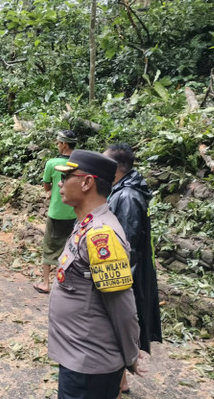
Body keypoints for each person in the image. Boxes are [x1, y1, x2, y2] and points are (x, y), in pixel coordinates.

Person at [49, 149, 142, 399]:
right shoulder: (86, 223)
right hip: (77, 356)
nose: (60, 182)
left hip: (89, 365)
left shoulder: (102, 236)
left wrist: (130, 354)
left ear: (87, 182)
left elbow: (122, 306)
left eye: (67, 176)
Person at [104, 143, 162, 395]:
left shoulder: (127, 196)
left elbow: (126, 244)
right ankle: (121, 380)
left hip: (129, 274)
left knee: (117, 326)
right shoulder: (123, 190)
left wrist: (118, 281)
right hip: (131, 271)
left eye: (104, 162)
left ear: (116, 168)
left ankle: (117, 382)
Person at [34, 130, 78, 294]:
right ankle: (65, 282)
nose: (58, 146)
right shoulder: (80, 163)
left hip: (57, 212)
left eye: (58, 143)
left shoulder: (52, 163)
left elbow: (46, 186)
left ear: (64, 144)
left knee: (50, 247)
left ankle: (46, 283)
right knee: (71, 247)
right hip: (75, 213)